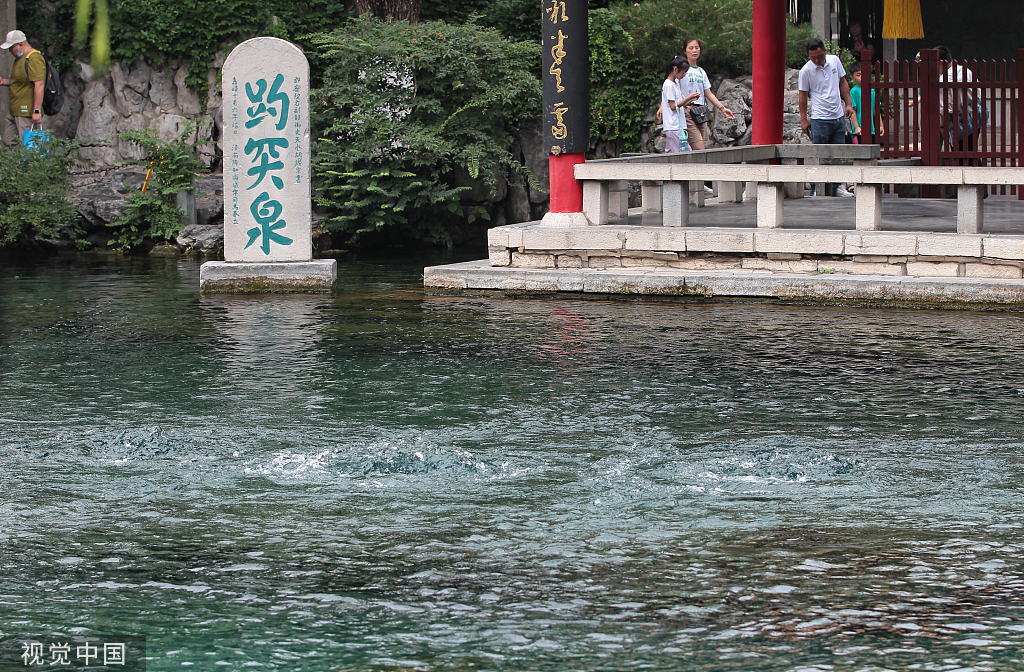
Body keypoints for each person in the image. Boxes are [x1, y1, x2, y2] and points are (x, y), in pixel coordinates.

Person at [798, 38, 855, 196]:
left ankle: (837, 187)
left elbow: (842, 82)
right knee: (819, 155)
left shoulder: (834, 61)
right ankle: (817, 188)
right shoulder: (806, 71)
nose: (816, 60)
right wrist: (804, 119)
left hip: (838, 116)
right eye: (812, 58)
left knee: (837, 154)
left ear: (824, 51)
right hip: (820, 118)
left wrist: (848, 104)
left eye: (819, 56)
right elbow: (802, 97)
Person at [0, 30, 45, 147]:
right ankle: (20, 164)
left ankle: (31, 164)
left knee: (30, 145)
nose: (10, 51)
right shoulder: (20, 59)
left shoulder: (34, 58)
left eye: (11, 47)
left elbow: (39, 85)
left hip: (26, 111)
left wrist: (36, 111)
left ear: (20, 44)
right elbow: (18, 81)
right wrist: (3, 81)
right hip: (15, 110)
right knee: (8, 140)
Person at [661, 56, 699, 154]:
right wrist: (689, 97)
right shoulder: (668, 85)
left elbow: (679, 104)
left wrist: (690, 100)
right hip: (673, 126)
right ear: (675, 69)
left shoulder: (676, 82)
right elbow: (673, 107)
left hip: (677, 125)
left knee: (670, 154)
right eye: (683, 72)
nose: (684, 75)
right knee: (684, 153)